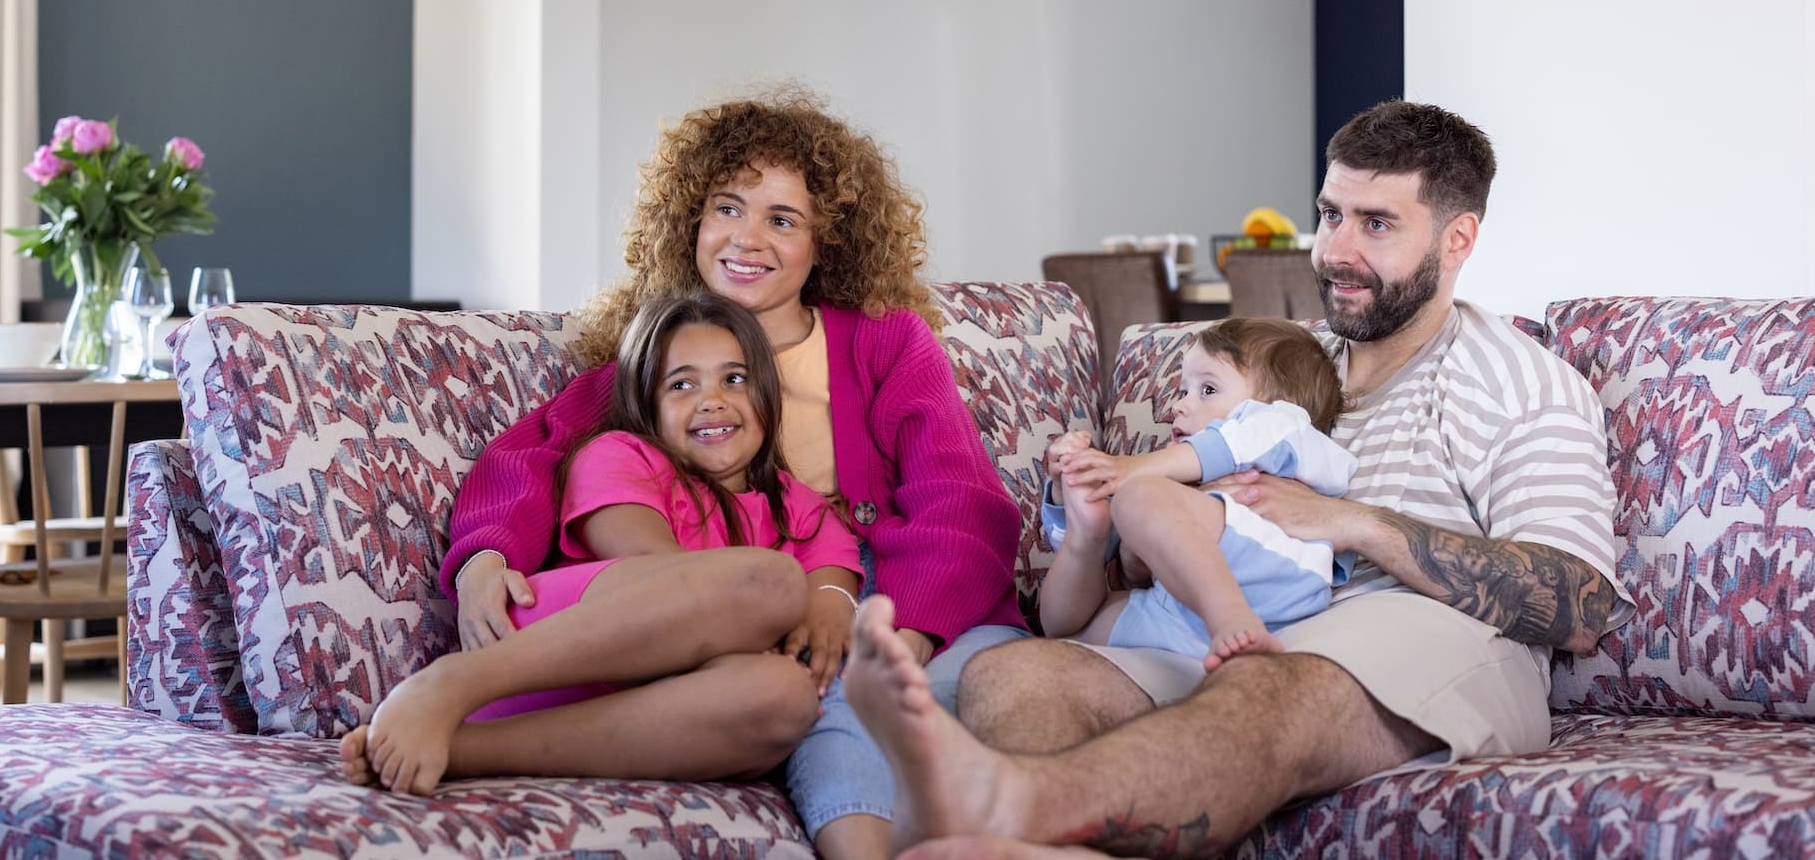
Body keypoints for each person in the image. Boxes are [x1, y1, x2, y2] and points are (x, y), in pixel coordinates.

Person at [842, 100, 1630, 857]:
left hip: (1419, 638)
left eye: (1377, 224)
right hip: (1237, 624)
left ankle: (1012, 806)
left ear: (1458, 240)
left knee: (1269, 687)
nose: (1336, 251)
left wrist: (1350, 522)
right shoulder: (1276, 361)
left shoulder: (1517, 381)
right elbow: (1150, 547)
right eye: (1330, 215)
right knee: (1017, 674)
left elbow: (1579, 604)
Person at [438, 90, 1026, 859]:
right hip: (740, 599)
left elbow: (959, 501)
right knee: (814, 694)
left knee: (853, 699)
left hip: (891, 592)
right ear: (692, 220)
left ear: (828, 242)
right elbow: (529, 457)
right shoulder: (658, 360)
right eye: (728, 208)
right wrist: (487, 554)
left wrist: (903, 635)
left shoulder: (885, 343)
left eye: (782, 219)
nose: (748, 238)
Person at [341, 291, 861, 794]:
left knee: (788, 696)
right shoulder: (620, 455)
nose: (713, 401)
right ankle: (452, 681)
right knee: (770, 583)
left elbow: (832, 585)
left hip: (646, 706)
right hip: (552, 655)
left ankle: (461, 751)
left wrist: (830, 608)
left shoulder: (798, 506)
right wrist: (760, 618)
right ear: (646, 404)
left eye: (735, 378)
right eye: (681, 385)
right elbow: (651, 566)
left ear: (768, 393)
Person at [1039, 317, 1352, 670]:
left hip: (1269, 584)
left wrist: (1130, 470)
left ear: (1283, 402)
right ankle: (1088, 536)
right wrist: (1075, 490)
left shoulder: (1286, 427)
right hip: (1182, 615)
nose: (1180, 405)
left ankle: (1232, 621)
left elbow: (1228, 445)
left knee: (1138, 497)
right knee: (1068, 631)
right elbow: (1063, 621)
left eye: (1207, 390)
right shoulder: (1174, 484)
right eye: (1183, 390)